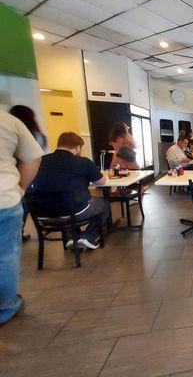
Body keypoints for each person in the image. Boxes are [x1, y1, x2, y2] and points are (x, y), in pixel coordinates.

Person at [27, 132, 109, 250]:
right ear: (77, 147)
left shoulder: (40, 161)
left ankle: (73, 237)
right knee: (103, 204)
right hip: (73, 212)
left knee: (68, 201)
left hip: (42, 214)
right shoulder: (83, 162)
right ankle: (88, 236)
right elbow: (101, 182)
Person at [0, 111, 42, 324]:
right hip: (4, 199)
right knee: (5, 255)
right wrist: (20, 189)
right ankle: (6, 307)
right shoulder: (8, 122)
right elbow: (33, 156)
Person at [9, 105, 48, 242]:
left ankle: (18, 231)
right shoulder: (36, 135)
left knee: (22, 205)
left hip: (15, 178)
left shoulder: (12, 131)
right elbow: (35, 158)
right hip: (32, 178)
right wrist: (22, 187)